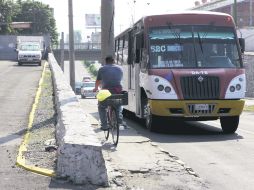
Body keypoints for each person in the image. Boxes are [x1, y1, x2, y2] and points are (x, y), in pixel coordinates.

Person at [93, 55, 123, 130]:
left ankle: (104, 125)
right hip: (117, 91)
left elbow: (98, 81)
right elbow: (120, 79)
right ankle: (119, 118)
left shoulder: (102, 69)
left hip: (106, 92)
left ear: (106, 62)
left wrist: (96, 88)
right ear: (113, 61)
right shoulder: (120, 69)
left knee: (101, 107)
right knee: (119, 105)